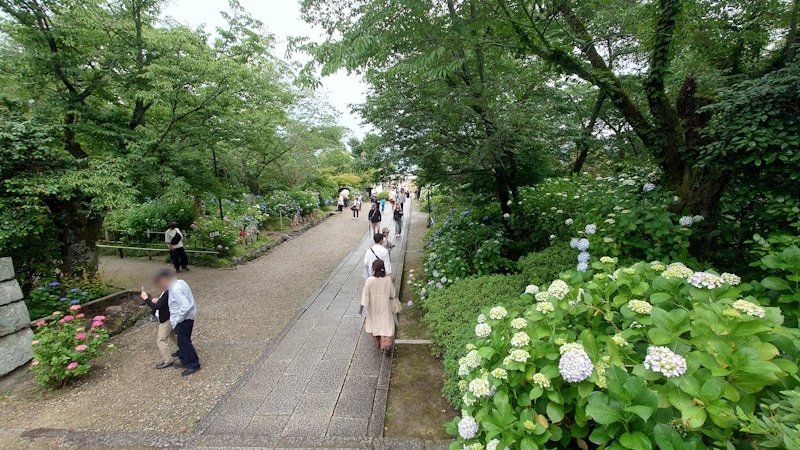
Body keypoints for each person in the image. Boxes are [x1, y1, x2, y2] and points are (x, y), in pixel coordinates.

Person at [143, 269, 200, 376]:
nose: (160, 285)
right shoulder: (180, 283)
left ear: (165, 280)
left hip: (183, 320)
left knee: (184, 342)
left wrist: (177, 319)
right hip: (184, 318)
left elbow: (186, 305)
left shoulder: (175, 289)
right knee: (181, 341)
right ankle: (185, 360)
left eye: (160, 282)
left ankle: (193, 364)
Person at [360, 259, 397, 356]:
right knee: (385, 325)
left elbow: (365, 296)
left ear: (373, 269)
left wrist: (364, 306)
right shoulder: (387, 280)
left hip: (373, 307)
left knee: (374, 325)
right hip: (385, 306)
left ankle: (377, 343)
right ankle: (386, 343)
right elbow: (393, 294)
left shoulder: (369, 281)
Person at [140, 285, 177, 369]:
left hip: (166, 320)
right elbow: (162, 303)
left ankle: (168, 360)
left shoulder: (167, 292)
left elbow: (156, 307)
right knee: (173, 336)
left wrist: (146, 299)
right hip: (169, 317)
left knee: (161, 340)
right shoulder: (168, 291)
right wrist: (157, 300)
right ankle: (184, 349)